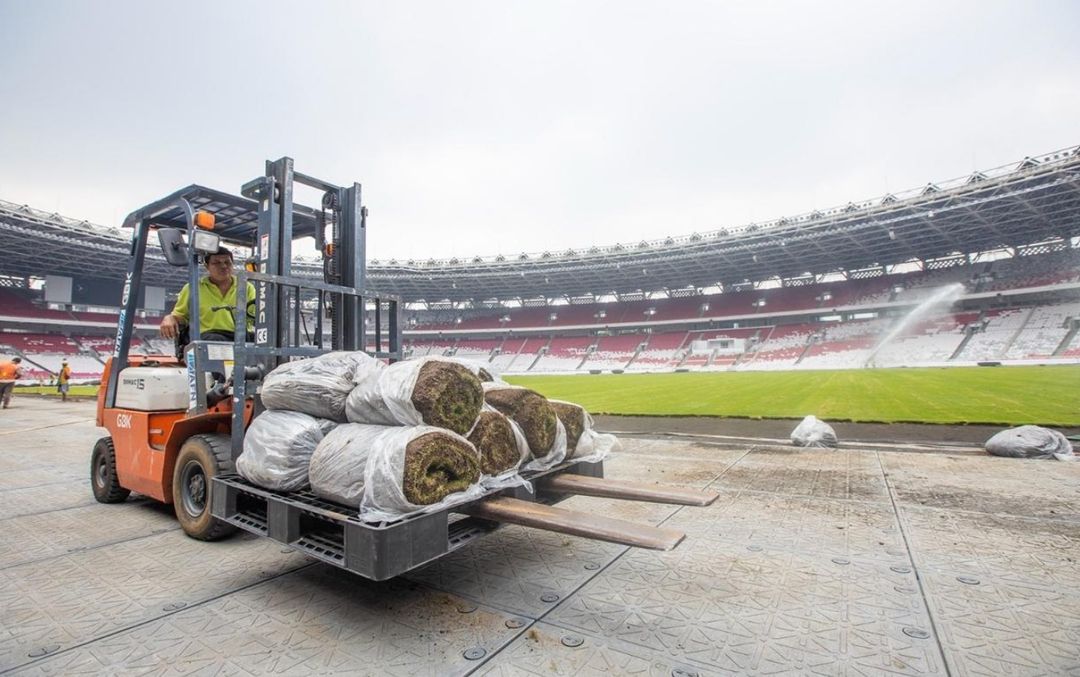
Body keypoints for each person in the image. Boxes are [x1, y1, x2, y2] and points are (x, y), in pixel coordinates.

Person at [159, 246, 256, 342]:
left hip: (241, 338)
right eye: (216, 263)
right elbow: (181, 316)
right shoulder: (192, 288)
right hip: (208, 338)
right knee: (215, 339)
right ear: (207, 266)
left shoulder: (246, 287)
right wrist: (170, 318)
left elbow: (256, 313)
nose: (223, 266)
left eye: (227, 262)